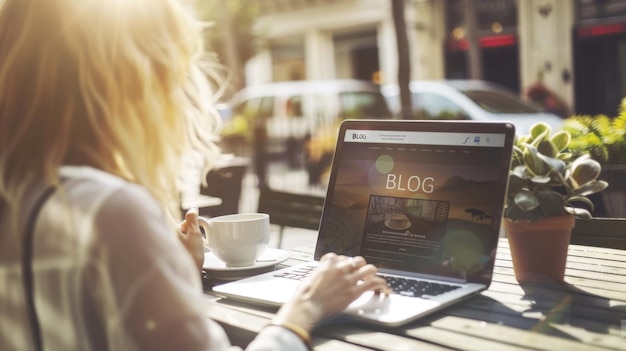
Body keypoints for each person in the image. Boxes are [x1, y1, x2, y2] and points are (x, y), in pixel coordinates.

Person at [0, 0, 389, 350]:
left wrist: (167, 273)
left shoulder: (22, 196)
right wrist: (305, 308)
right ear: (136, 76)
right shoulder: (108, 209)